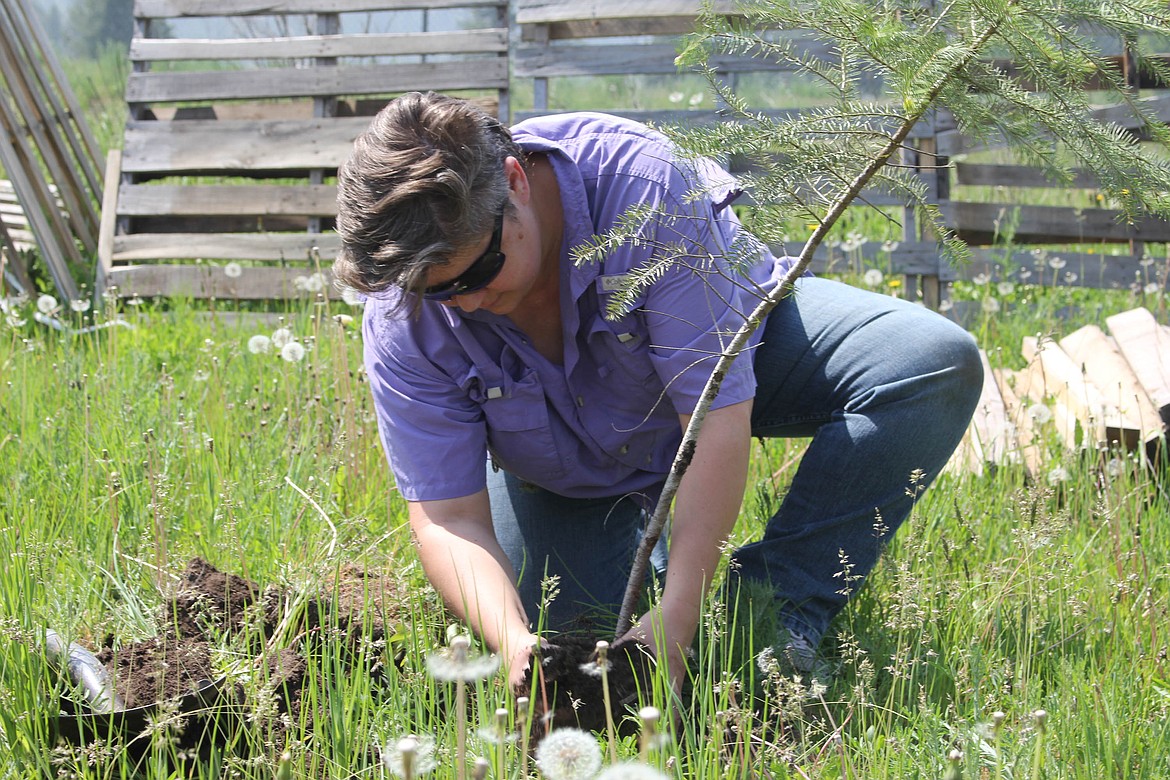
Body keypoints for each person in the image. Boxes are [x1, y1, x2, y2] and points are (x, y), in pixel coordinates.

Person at [333, 91, 982, 691]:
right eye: (439, 292)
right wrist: (511, 642)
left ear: (513, 181)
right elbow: (450, 520)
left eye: (481, 270)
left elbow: (715, 422)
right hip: (567, 475)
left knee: (926, 363)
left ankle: (772, 610)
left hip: (735, 365)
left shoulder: (642, 187)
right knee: (576, 637)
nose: (467, 302)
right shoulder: (403, 305)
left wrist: (684, 613)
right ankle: (646, 582)